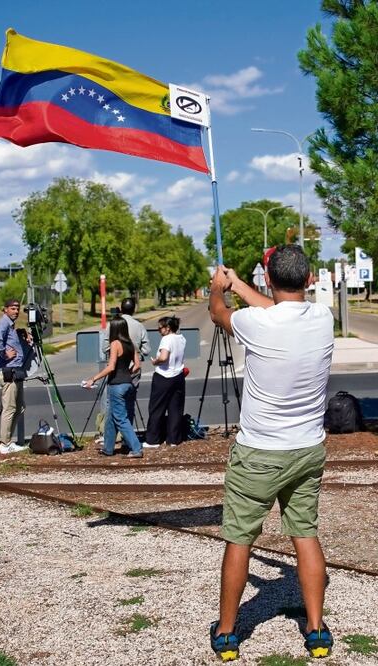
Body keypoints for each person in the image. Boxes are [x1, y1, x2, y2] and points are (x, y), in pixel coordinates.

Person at [208, 245, 335, 661]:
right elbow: (279, 308)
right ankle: (316, 630)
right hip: (307, 449)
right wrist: (240, 283)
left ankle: (227, 633)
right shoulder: (322, 318)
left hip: (259, 452)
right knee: (305, 535)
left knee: (239, 540)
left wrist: (219, 288)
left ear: (268, 278)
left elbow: (218, 315)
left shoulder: (252, 324)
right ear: (310, 278)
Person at [84, 317, 143, 458]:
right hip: (129, 384)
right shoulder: (131, 344)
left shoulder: (115, 343)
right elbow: (137, 365)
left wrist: (93, 379)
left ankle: (136, 448)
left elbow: (111, 367)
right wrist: (127, 374)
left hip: (116, 385)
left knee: (121, 419)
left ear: (115, 329)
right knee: (111, 418)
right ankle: (108, 448)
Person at [145, 315, 186, 448]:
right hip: (178, 375)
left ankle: (153, 439)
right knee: (175, 408)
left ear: (167, 328)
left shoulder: (166, 339)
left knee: (156, 408)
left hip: (163, 376)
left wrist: (155, 361)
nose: (159, 331)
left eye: (160, 328)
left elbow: (163, 357)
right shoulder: (181, 338)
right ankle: (174, 439)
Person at [0, 299, 25, 453]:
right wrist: (5, 354)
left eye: (17, 308)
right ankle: (5, 443)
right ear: (5, 309)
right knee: (10, 407)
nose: (16, 311)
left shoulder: (10, 325)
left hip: (15, 371)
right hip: (7, 371)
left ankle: (8, 440)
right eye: (12, 308)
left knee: (19, 407)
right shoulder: (3, 323)